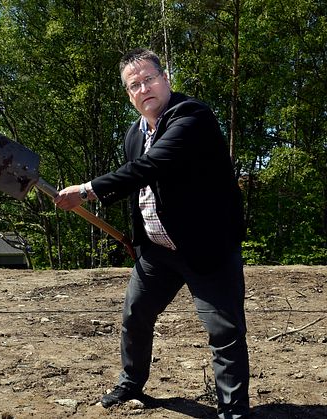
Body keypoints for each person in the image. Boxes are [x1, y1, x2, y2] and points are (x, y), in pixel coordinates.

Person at [54, 48, 249, 418]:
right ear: (129, 96)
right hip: (157, 252)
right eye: (134, 85)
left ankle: (233, 413)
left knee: (225, 334)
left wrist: (88, 189)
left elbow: (153, 165)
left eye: (149, 79)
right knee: (135, 317)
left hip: (206, 251)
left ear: (166, 80)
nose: (144, 88)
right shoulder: (134, 132)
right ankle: (131, 382)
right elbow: (139, 186)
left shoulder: (192, 117)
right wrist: (137, 239)